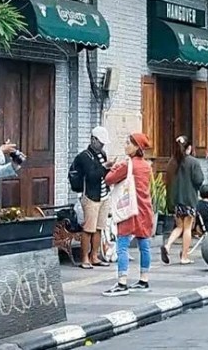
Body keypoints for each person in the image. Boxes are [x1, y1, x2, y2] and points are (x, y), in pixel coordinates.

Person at [103, 132, 154, 297]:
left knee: (122, 245)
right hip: (144, 209)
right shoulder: (146, 165)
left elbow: (109, 179)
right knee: (144, 245)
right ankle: (143, 280)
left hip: (128, 210)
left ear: (136, 147)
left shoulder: (127, 165)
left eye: (128, 143)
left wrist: (114, 167)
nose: (125, 145)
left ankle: (122, 282)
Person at [68, 125, 112, 268]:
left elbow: (103, 175)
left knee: (99, 227)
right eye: (100, 142)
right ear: (93, 140)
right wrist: (104, 167)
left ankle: (95, 255)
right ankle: (85, 258)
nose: (102, 145)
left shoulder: (103, 154)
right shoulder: (84, 156)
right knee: (88, 228)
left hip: (104, 194)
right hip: (90, 196)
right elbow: (92, 176)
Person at [162, 135, 204, 265]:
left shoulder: (172, 162)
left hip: (176, 201)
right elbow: (199, 180)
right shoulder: (193, 162)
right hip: (189, 199)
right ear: (189, 148)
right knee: (187, 228)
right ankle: (184, 256)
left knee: (179, 226)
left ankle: (168, 245)